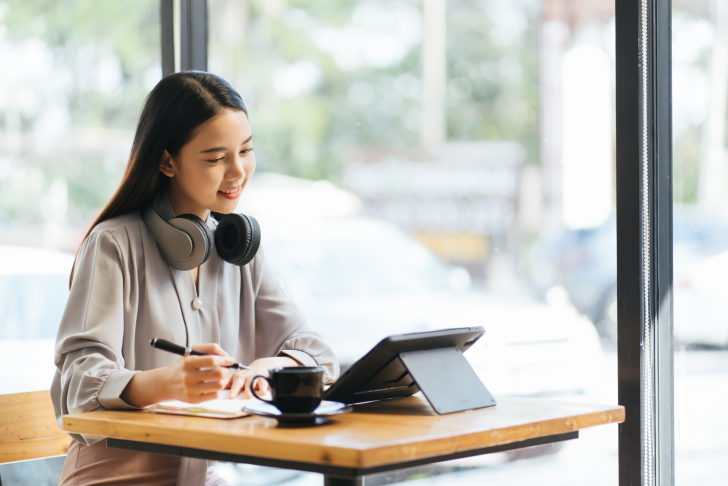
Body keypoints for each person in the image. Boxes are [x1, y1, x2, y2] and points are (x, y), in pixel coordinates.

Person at [51, 71, 339, 486]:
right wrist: (163, 383)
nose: (238, 171)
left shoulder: (240, 248)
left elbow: (320, 357)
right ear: (167, 160)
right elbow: (76, 384)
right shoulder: (114, 244)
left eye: (246, 150)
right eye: (216, 158)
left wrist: (271, 366)